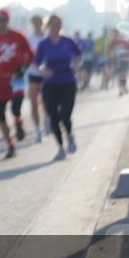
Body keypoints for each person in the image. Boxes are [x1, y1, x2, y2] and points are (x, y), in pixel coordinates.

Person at [0, 8, 34, 159]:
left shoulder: (18, 36)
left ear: (8, 21)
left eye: (4, 20)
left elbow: (31, 54)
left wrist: (24, 68)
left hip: (16, 78)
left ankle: (18, 123)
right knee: (1, 113)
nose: (1, 23)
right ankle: (10, 144)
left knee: (16, 109)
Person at [34, 15, 81, 160]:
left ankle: (70, 136)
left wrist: (76, 66)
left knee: (65, 114)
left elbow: (79, 56)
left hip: (68, 82)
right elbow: (36, 64)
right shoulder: (44, 44)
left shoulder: (68, 41)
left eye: (59, 24)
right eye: (53, 24)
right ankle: (60, 147)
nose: (56, 26)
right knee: (53, 116)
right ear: (48, 26)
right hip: (51, 84)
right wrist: (44, 71)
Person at [25, 15, 49, 142]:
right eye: (34, 22)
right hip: (33, 73)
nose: (36, 24)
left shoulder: (47, 37)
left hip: (46, 74)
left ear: (42, 23)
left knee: (46, 102)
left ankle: (47, 121)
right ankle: (38, 130)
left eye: (38, 22)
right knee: (33, 103)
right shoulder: (28, 38)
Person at [107, 28, 129, 96]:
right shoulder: (113, 42)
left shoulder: (124, 40)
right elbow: (108, 50)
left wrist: (125, 51)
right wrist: (112, 54)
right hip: (116, 60)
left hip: (124, 59)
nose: (114, 35)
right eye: (113, 34)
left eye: (115, 33)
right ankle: (121, 89)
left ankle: (124, 86)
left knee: (124, 74)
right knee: (119, 74)